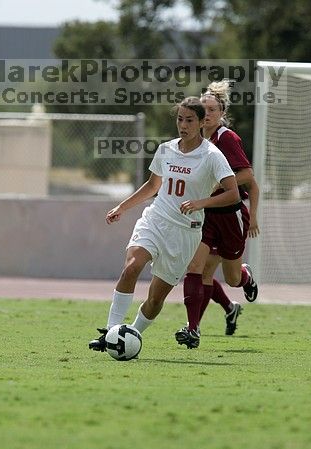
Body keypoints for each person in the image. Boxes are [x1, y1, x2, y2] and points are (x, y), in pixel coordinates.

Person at [89, 97, 240, 352]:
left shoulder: (212, 156)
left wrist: (201, 203)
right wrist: (122, 208)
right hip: (156, 220)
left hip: (184, 233)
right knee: (131, 267)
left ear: (203, 122)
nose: (183, 125)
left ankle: (131, 334)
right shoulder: (166, 149)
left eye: (189, 120)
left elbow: (233, 194)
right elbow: (153, 185)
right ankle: (110, 333)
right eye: (180, 119)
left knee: (156, 298)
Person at [175, 81, 260, 347]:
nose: (208, 114)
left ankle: (245, 276)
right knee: (197, 268)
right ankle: (192, 328)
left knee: (233, 279)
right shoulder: (197, 141)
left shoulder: (226, 138)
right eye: (204, 109)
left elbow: (248, 176)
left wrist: (253, 217)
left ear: (221, 113)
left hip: (231, 216)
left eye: (213, 109)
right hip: (207, 216)